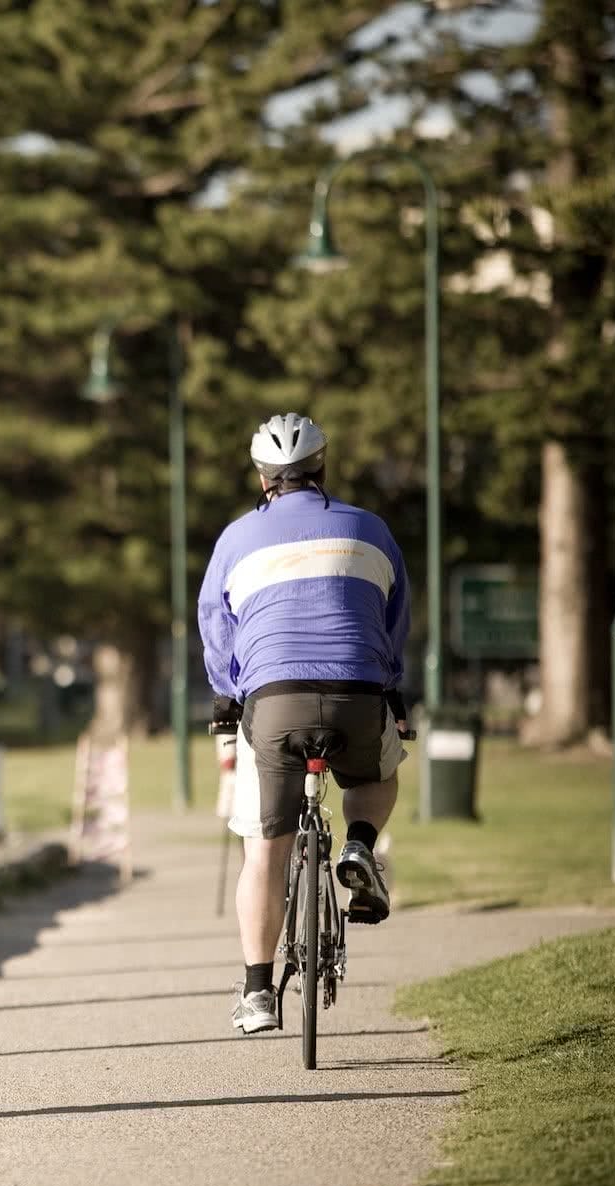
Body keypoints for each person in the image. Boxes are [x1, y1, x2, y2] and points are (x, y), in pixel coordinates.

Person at [197, 413, 411, 1035]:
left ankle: (258, 992)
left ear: (262, 477)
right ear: (322, 468)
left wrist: (226, 693)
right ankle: (359, 845)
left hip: (274, 699)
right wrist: (390, 681)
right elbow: (395, 612)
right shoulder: (370, 528)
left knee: (264, 847)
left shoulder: (236, 538)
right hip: (358, 691)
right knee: (377, 776)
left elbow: (217, 624)